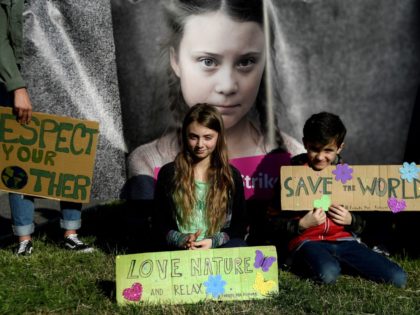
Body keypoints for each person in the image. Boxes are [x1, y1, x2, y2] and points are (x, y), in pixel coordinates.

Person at [127, 0, 304, 199]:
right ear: (176, 61)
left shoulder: (297, 159)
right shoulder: (148, 164)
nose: (227, 86)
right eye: (208, 62)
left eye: (246, 62)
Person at [268, 112, 407, 287]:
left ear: (339, 148)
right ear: (305, 144)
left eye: (328, 150)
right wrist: (301, 225)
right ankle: (310, 262)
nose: (320, 157)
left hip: (345, 241)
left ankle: (337, 261)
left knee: (397, 278)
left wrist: (352, 220)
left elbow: (368, 222)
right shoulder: (291, 175)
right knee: (328, 274)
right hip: (307, 241)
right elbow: (271, 222)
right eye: (314, 149)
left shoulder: (348, 176)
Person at [0, 1, 93, 255]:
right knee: (23, 157)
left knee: (70, 154)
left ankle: (71, 233)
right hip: (25, 83)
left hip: (66, 80)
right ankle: (23, 239)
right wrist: (17, 87)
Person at [154, 104, 247, 250]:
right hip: (180, 249)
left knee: (239, 246)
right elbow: (159, 223)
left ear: (219, 138)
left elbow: (239, 226)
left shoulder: (231, 176)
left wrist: (213, 242)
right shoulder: (169, 173)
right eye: (193, 137)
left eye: (208, 137)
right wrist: (181, 239)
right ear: (185, 136)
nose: (200, 144)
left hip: (218, 248)